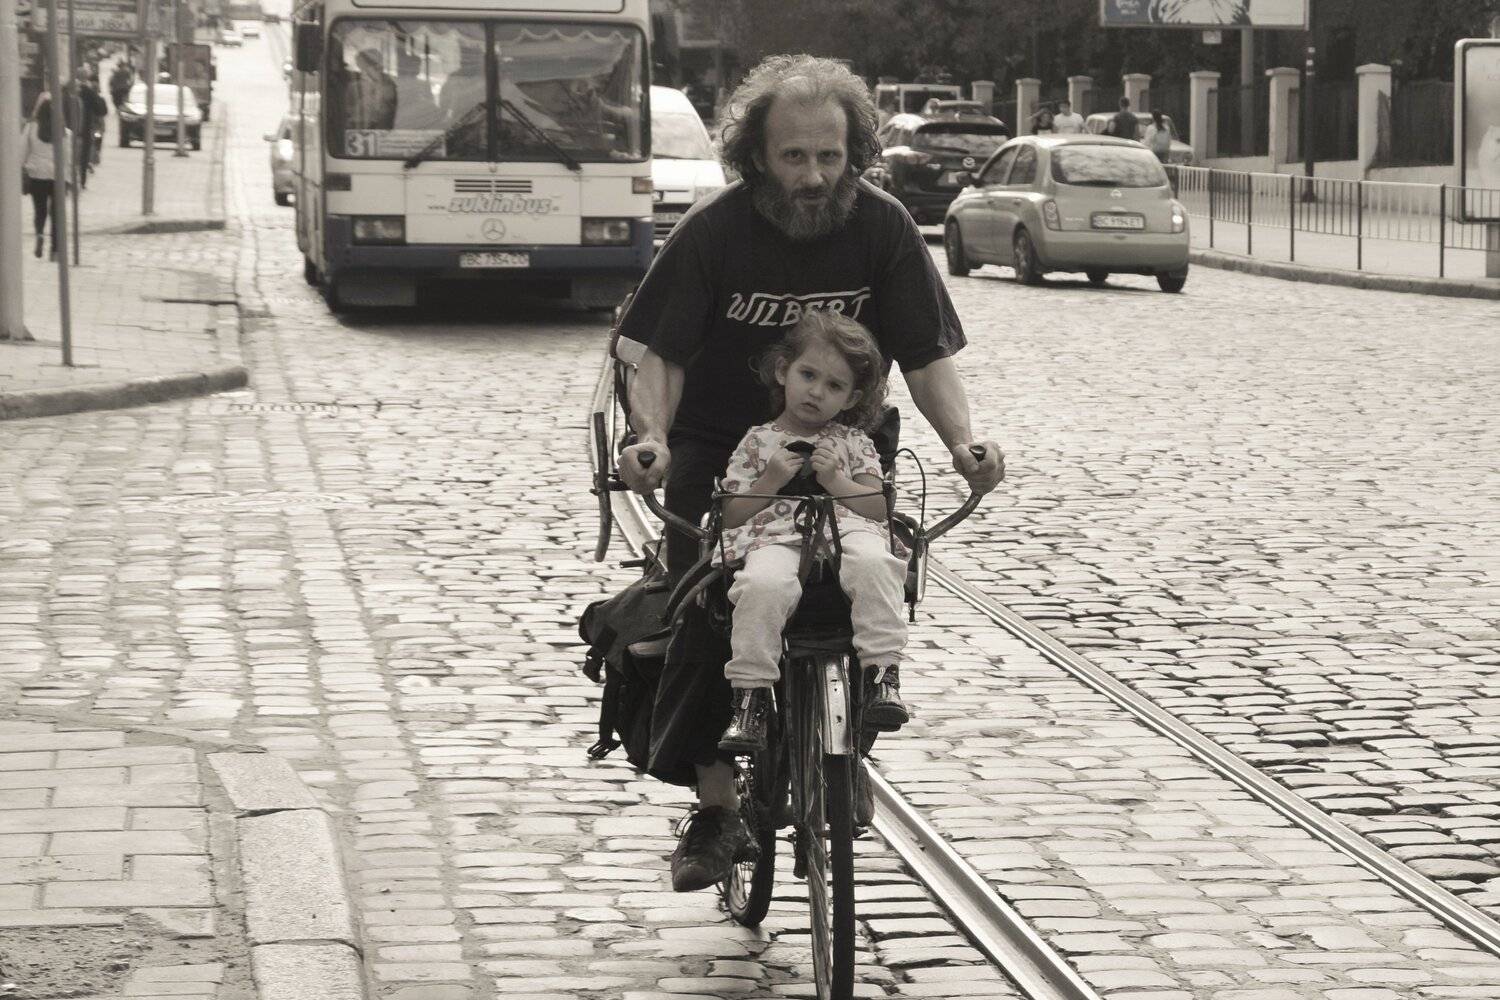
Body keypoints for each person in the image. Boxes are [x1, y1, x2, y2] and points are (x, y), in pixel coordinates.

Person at [614, 54, 1005, 893]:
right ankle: (715, 806)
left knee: (863, 584)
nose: (814, 175)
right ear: (756, 155)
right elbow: (660, 354)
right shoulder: (714, 231)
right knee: (701, 611)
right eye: (794, 156)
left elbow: (926, 355)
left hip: (848, 447)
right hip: (721, 446)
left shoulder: (884, 228)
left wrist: (964, 444)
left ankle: (843, 745)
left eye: (830, 155)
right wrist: (652, 439)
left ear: (854, 151)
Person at [715, 311, 910, 756]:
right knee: (762, 584)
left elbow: (877, 507)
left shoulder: (854, 441)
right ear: (784, 371)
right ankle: (750, 697)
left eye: (834, 386)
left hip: (847, 531)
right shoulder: (758, 441)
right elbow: (731, 515)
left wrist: (837, 481)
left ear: (850, 398)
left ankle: (882, 674)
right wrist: (769, 480)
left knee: (876, 563)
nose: (816, 392)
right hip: (775, 536)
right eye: (808, 375)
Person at [21, 96, 69, 260]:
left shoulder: (31, 128)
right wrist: (69, 178)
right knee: (56, 213)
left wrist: (22, 167)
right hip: (57, 176)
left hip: (37, 174)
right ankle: (55, 250)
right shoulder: (63, 131)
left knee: (39, 210)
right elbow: (67, 157)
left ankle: (40, 234)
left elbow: (22, 151)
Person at [391, 50, 442, 130]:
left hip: (418, 119)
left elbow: (430, 104)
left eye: (418, 66)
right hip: (400, 118)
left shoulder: (423, 84)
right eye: (414, 66)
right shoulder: (395, 83)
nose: (418, 69)